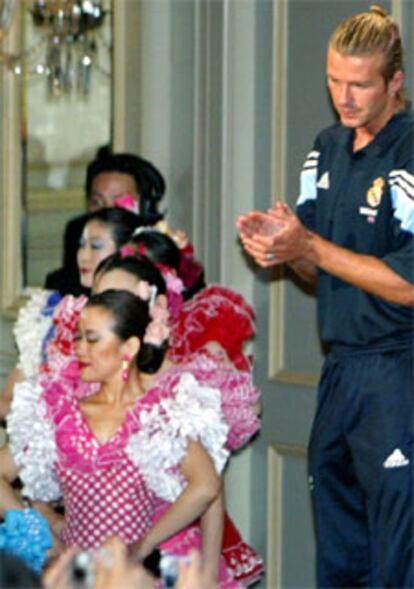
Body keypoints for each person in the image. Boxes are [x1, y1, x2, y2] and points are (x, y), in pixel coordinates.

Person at [237, 5, 413, 588]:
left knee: (396, 556)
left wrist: (309, 244)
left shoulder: (408, 156)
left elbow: (408, 284)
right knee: (339, 553)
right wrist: (288, 249)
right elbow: (320, 271)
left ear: (395, 82)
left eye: (360, 84)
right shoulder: (326, 147)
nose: (345, 96)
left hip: (397, 370)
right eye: (335, 81)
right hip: (338, 370)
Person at [1, 289, 238, 587]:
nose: (80, 349)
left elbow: (206, 485)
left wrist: (147, 543)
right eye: (77, 338)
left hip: (131, 578)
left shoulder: (157, 414)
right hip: (75, 576)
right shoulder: (59, 411)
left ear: (129, 347)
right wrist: (37, 534)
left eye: (92, 339)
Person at [0, 207, 142, 419]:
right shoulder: (54, 313)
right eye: (81, 245)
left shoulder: (145, 319)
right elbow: (7, 401)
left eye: (95, 246)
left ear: (126, 252)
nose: (83, 256)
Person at [45, 151, 166, 295]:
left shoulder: (161, 246)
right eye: (97, 202)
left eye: (120, 203)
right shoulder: (79, 230)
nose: (107, 212)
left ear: (144, 206)